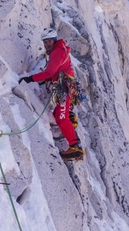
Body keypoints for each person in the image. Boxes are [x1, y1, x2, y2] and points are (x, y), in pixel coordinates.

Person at [19, 28, 84, 161]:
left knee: (60, 117)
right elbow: (55, 71)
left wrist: (30, 79)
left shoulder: (58, 52)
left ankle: (75, 148)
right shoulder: (59, 50)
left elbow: (49, 72)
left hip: (64, 88)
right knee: (58, 115)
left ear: (54, 41)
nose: (47, 44)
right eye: (45, 42)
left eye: (49, 41)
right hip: (65, 87)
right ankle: (70, 118)